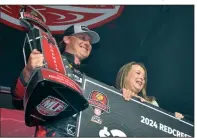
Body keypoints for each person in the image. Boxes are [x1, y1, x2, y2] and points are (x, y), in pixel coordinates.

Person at [11, 24, 100, 137]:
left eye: (90, 42)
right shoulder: (49, 61)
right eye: (82, 38)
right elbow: (18, 101)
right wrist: (28, 72)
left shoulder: (90, 80)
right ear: (67, 39)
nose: (87, 43)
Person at [115, 61, 185, 120]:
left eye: (144, 77)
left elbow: (159, 123)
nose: (142, 78)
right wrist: (119, 96)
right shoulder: (110, 93)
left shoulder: (152, 102)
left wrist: (174, 120)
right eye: (138, 73)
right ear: (125, 75)